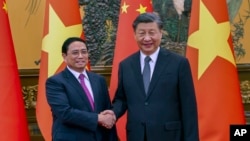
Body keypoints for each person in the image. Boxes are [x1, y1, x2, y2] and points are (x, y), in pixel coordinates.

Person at [103, 12, 199, 141]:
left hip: (169, 135)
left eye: (152, 33)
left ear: (160, 33)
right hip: (137, 135)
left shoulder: (178, 63)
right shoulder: (126, 65)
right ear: (135, 35)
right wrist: (113, 113)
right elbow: (122, 99)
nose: (147, 38)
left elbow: (188, 107)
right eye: (142, 33)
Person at [45, 37, 118, 141]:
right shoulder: (55, 82)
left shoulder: (99, 80)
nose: (80, 56)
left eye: (84, 52)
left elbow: (106, 109)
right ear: (64, 56)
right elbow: (64, 113)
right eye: (75, 53)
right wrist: (98, 118)